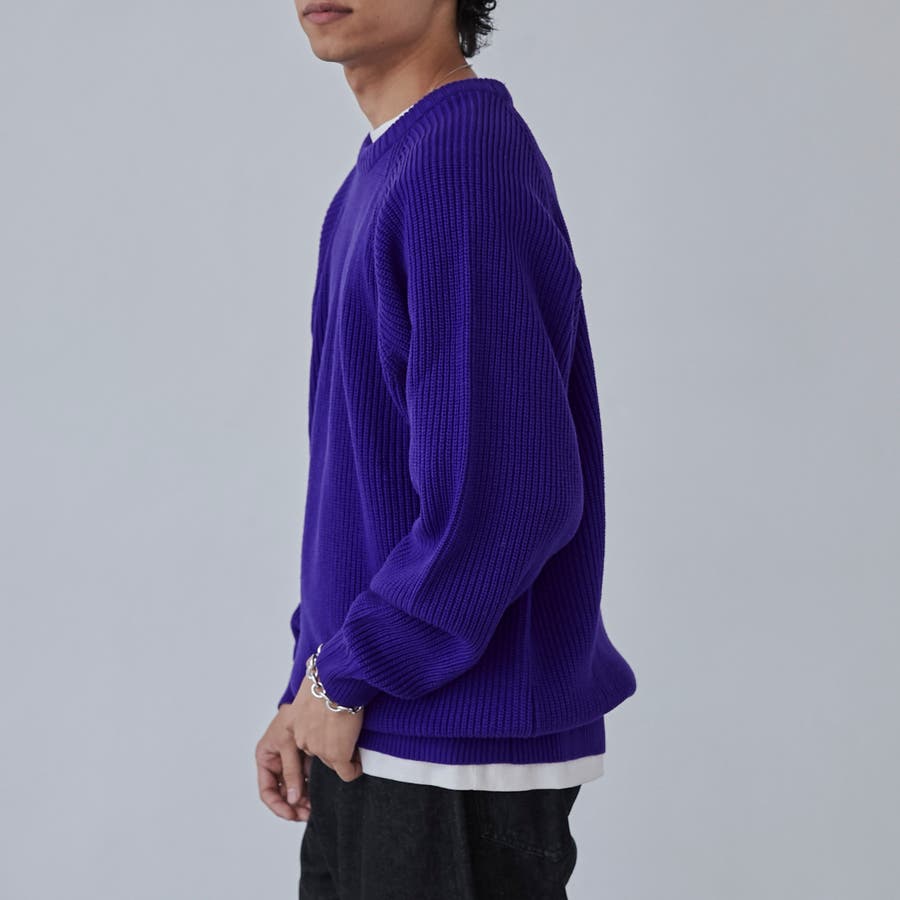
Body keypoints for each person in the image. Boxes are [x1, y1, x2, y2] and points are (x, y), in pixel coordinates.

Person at [255, 1, 638, 896]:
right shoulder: (383, 169)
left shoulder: (460, 159)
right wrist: (309, 681)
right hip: (375, 728)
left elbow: (509, 495)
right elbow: (362, 483)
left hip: (450, 756)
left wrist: (344, 676)